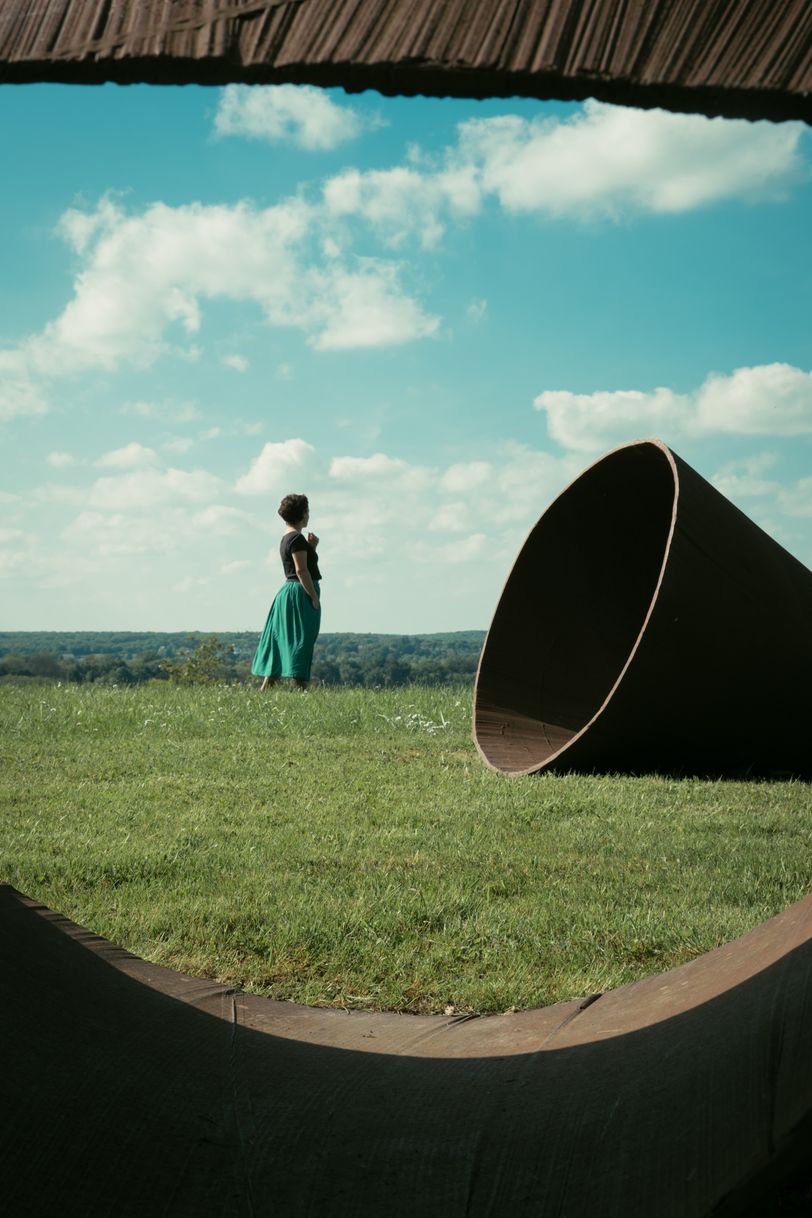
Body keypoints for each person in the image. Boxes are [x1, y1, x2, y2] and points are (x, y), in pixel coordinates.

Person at [252, 493, 322, 690]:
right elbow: (301, 571)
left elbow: (300, 564)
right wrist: (314, 597)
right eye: (307, 511)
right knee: (301, 639)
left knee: (280, 639)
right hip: (300, 592)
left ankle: (266, 689)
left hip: (289, 593)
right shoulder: (296, 539)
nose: (309, 515)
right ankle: (301, 687)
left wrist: (312, 548)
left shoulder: (288, 538)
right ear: (301, 514)